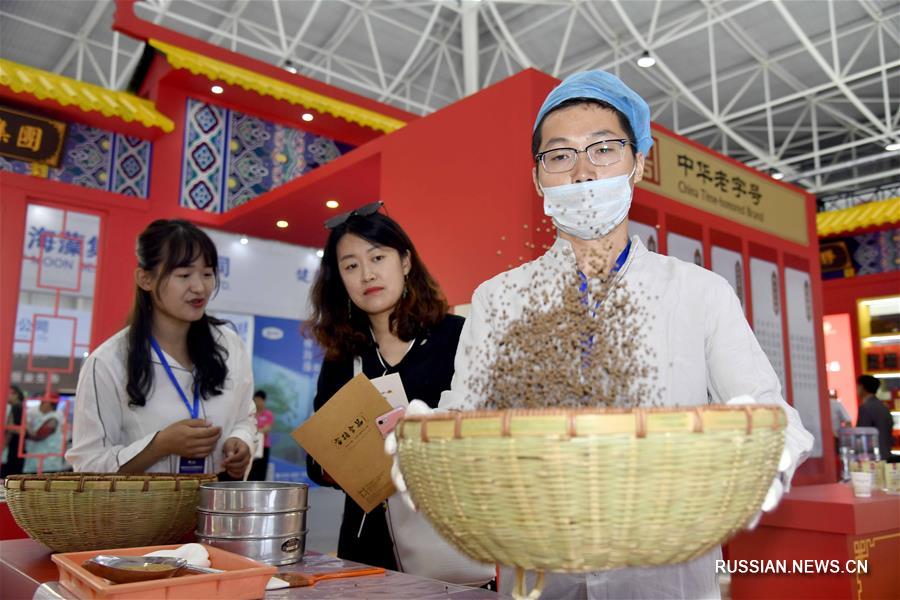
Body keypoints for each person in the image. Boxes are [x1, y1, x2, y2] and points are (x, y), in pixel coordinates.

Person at [430, 70, 815, 598]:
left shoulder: (699, 293)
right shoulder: (500, 299)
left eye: (604, 149)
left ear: (638, 164)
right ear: (539, 177)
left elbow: (776, 424)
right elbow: (465, 420)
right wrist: (426, 436)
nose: (584, 171)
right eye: (560, 155)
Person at [305, 203, 465, 571]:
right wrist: (340, 463)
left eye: (377, 257)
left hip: (443, 540)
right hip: (365, 544)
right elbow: (316, 461)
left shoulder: (455, 337)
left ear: (405, 261)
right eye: (351, 266)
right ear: (340, 280)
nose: (366, 275)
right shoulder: (342, 357)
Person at [66, 219, 256, 476]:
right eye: (184, 275)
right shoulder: (108, 362)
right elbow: (88, 464)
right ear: (145, 279)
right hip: (141, 514)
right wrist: (158, 446)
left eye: (208, 274)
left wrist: (240, 441)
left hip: (214, 511)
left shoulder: (229, 344)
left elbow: (245, 417)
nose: (200, 287)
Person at [23, 393, 68, 473]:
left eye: (43, 402)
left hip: (47, 464)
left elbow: (37, 435)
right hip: (38, 462)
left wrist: (26, 424)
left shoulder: (54, 418)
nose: (40, 404)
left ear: (49, 404)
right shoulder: (43, 416)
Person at [856, 375, 895, 463]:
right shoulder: (883, 406)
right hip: (886, 453)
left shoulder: (865, 408)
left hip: (872, 457)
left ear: (862, 387)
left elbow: (862, 434)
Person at [248, 390, 274, 481]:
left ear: (263, 401)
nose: (257, 402)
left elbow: (267, 429)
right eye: (256, 400)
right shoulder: (251, 413)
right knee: (251, 470)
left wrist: (256, 430)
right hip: (252, 445)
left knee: (261, 470)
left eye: (259, 400)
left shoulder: (268, 414)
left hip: (264, 446)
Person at [1, 385, 25, 477]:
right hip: (17, 445)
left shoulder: (15, 407)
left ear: (16, 394)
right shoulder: (19, 406)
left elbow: (12, 428)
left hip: (14, 445)